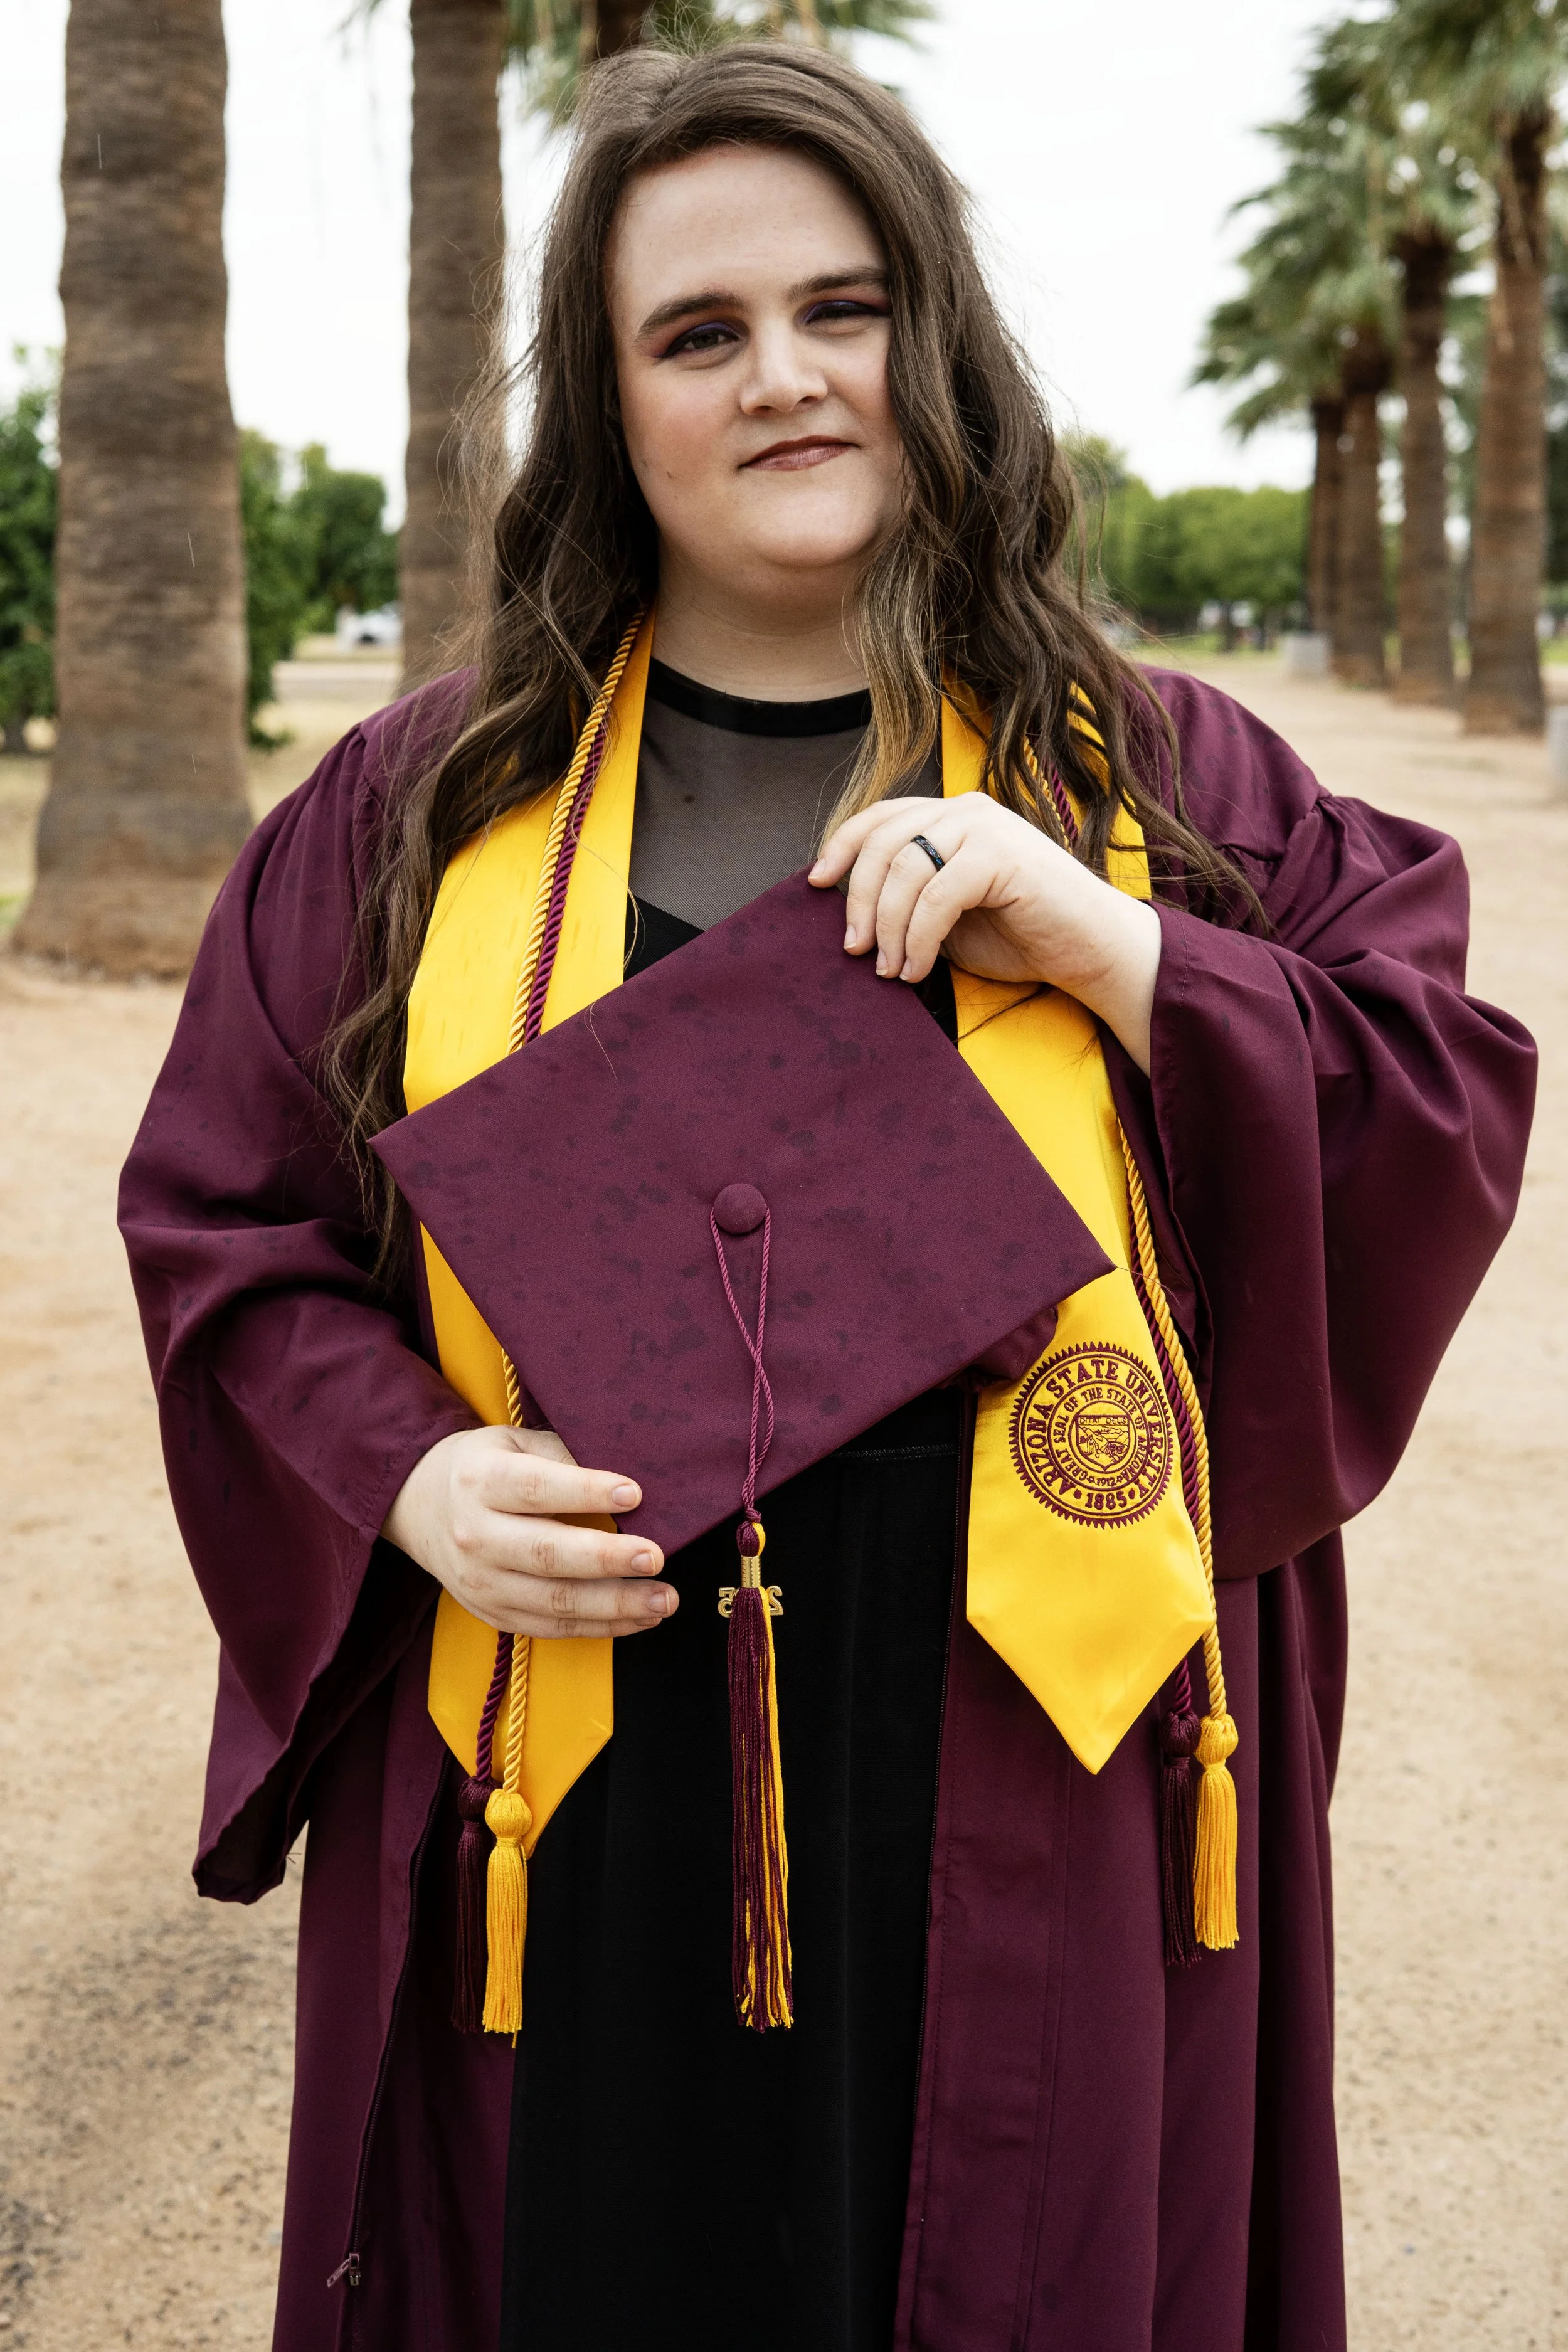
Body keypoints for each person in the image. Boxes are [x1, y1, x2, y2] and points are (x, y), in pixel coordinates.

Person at [119, 40, 1535, 2352]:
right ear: (609, 399)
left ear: (932, 341)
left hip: (1019, 1741)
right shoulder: (410, 811)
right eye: (697, 332)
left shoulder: (1165, 777)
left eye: (842, 308)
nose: (783, 377)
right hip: (573, 1738)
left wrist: (1116, 944)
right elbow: (226, 1229)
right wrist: (411, 1479)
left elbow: (1434, 1093)